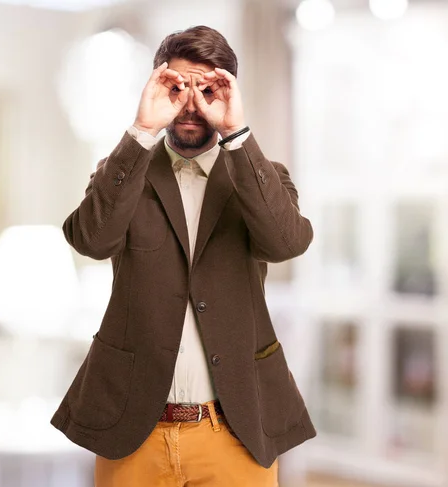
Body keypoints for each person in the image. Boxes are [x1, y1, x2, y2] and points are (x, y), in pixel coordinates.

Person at [51, 25, 316, 486]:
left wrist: (236, 132)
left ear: (228, 91)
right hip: (134, 432)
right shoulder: (124, 172)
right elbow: (90, 240)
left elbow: (287, 242)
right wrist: (141, 130)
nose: (191, 103)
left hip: (235, 432)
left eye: (207, 88)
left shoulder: (262, 176)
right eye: (177, 86)